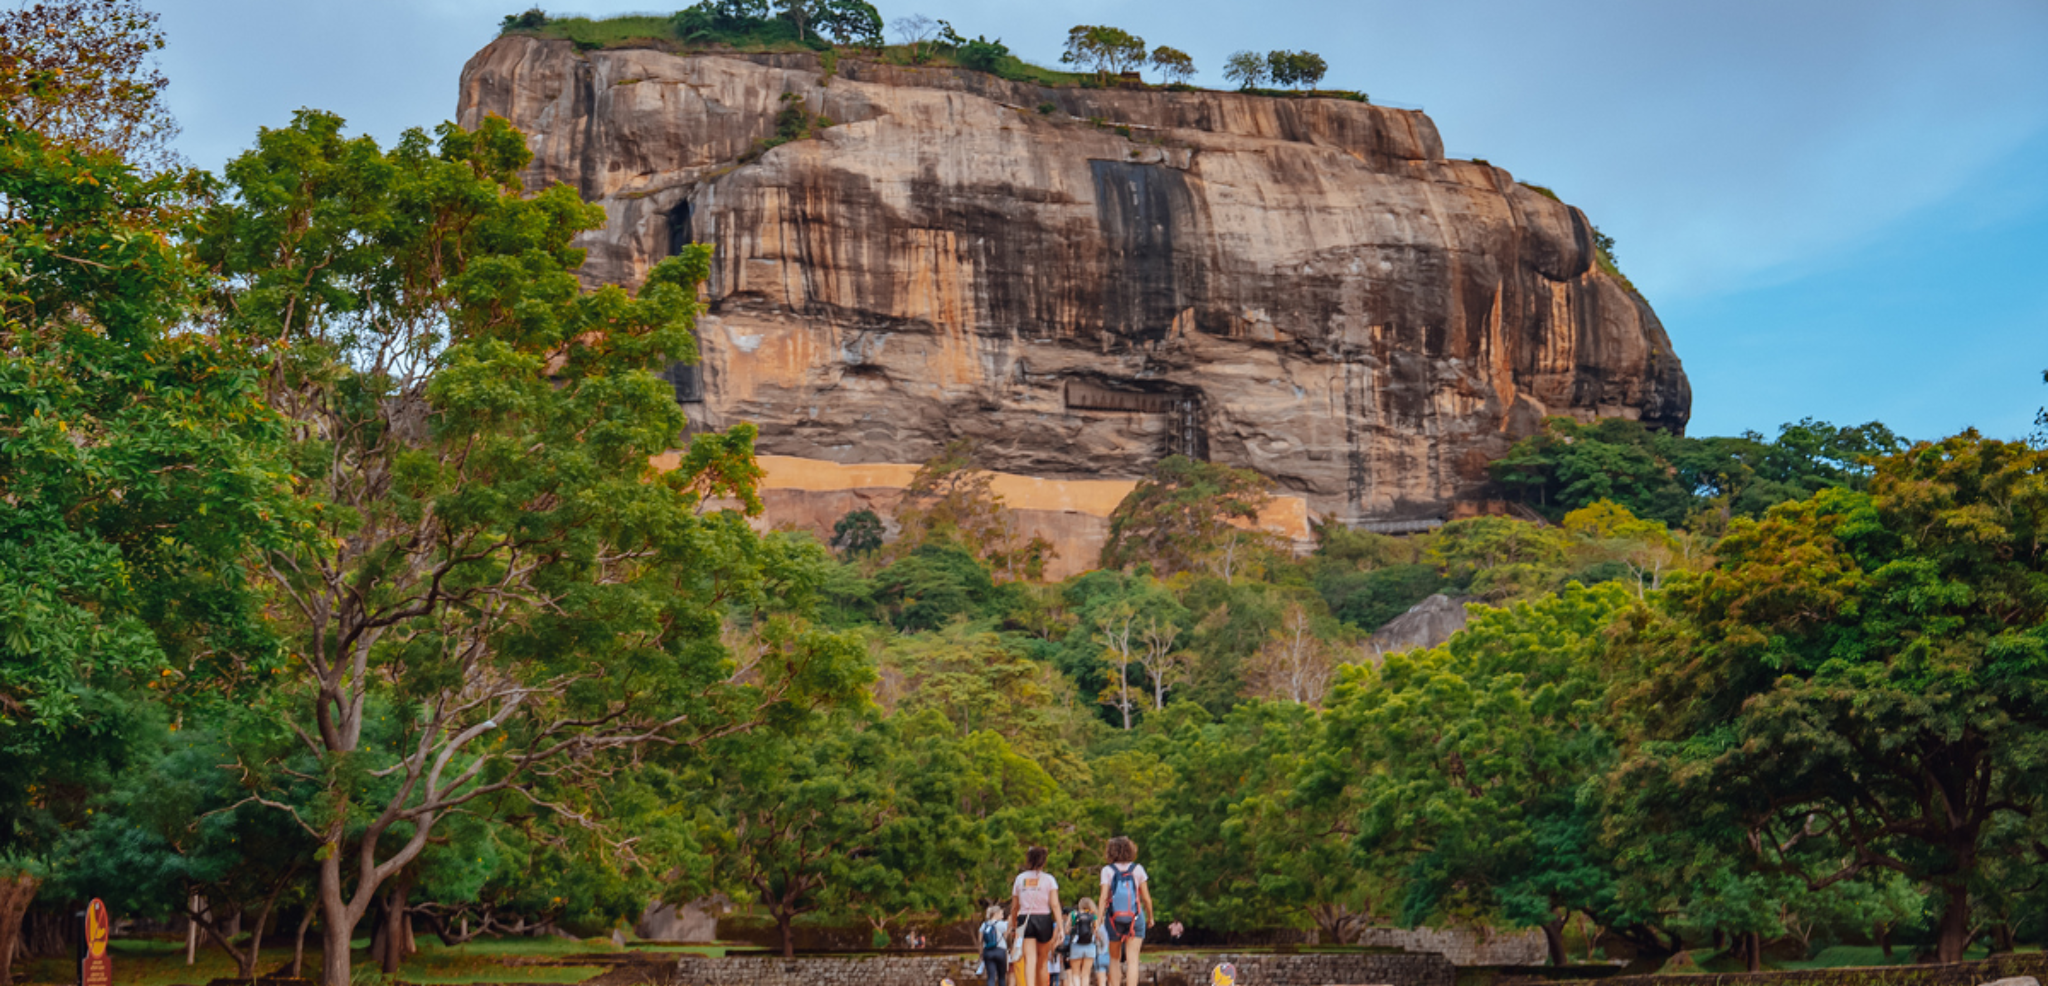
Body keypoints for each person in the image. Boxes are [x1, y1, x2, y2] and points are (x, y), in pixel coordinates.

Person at [1096, 836, 1154, 986]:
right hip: (1135, 918)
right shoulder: (1138, 869)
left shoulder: (1107, 871)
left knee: (1114, 959)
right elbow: (1146, 898)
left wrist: (1099, 919)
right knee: (1132, 960)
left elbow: (1103, 897)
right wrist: (1150, 917)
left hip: (1113, 919)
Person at [1009, 846, 1064, 986]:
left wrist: (1013, 925)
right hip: (1044, 919)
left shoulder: (1020, 879)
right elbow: (1055, 905)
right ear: (1044, 861)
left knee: (1030, 961)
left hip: (1025, 919)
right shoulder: (1049, 879)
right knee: (1042, 961)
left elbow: (1015, 906)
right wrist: (1061, 927)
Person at [1064, 897, 1102, 986]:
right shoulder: (1093, 916)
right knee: (1086, 974)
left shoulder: (1073, 914)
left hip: (1076, 946)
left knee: (1075, 973)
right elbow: (1097, 932)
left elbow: (1066, 930)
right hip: (1090, 946)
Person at [978, 905, 1011, 986]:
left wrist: (981, 954)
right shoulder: (1003, 924)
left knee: (991, 977)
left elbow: (980, 940)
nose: (1002, 916)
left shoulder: (984, 925)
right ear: (995, 914)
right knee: (1001, 977)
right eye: (1001, 914)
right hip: (1000, 951)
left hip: (988, 952)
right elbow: (1005, 937)